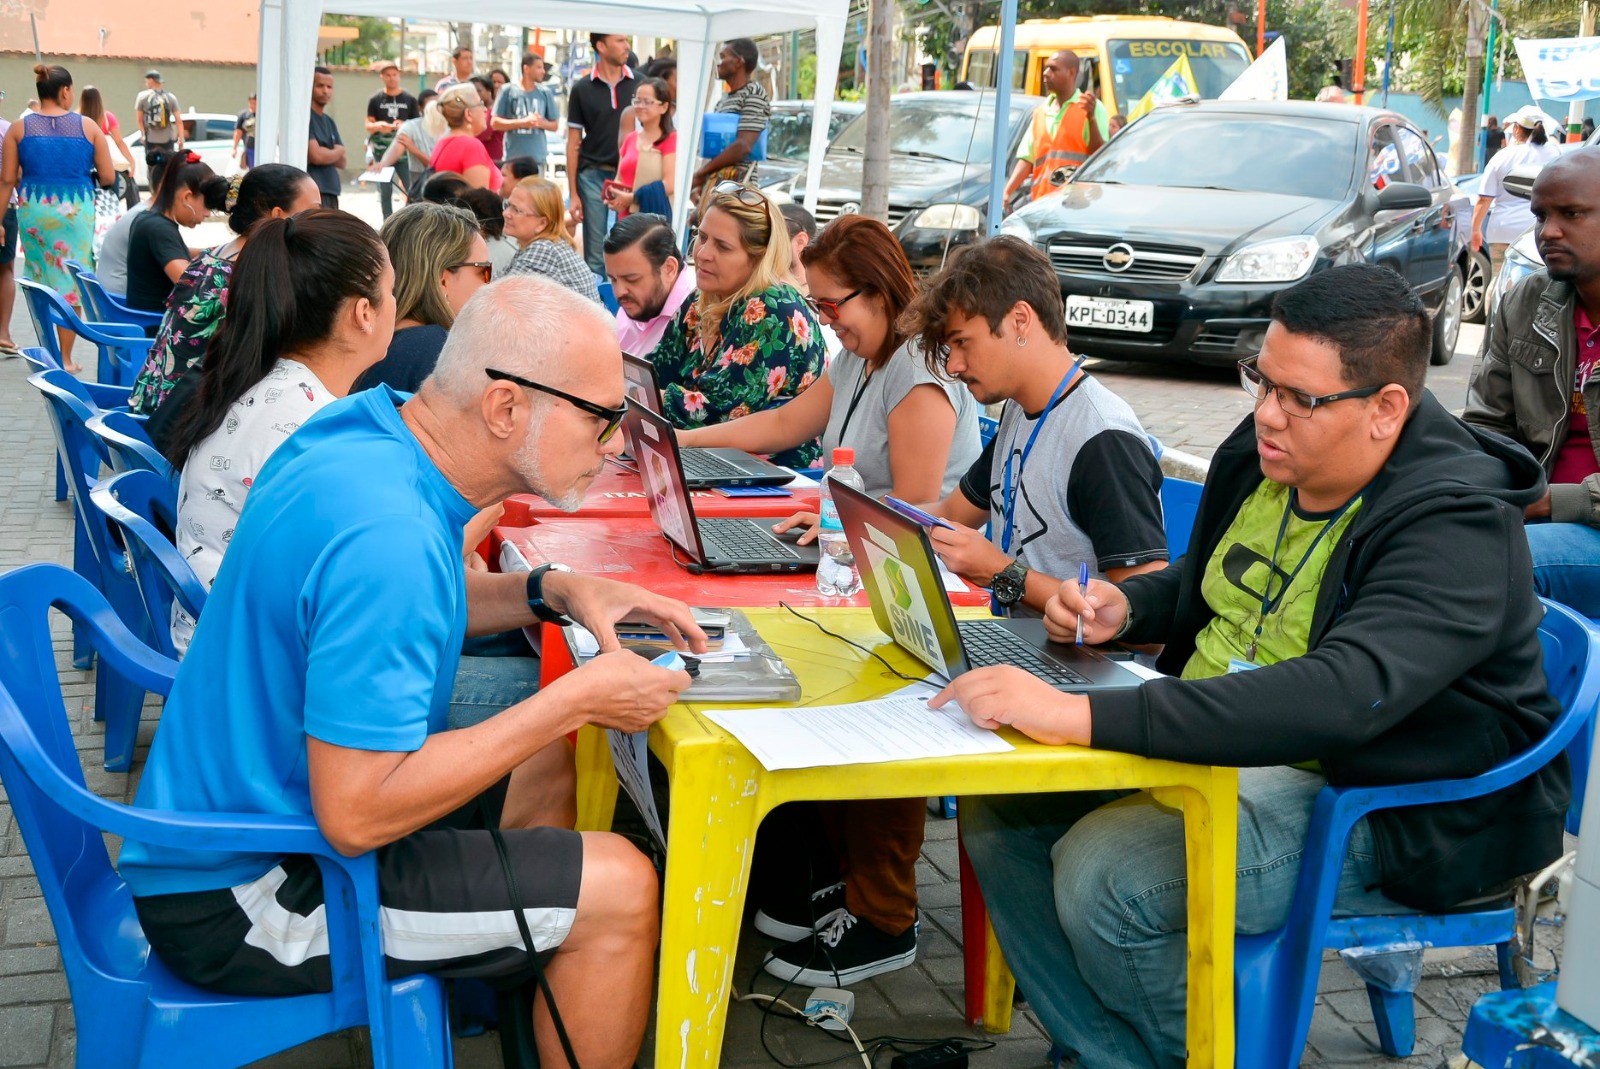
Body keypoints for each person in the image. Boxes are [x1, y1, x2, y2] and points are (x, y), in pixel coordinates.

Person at [946, 263, 1565, 1069]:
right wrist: (1128, 609)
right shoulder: (1268, 452)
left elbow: (1339, 695)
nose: (1266, 414)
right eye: (1260, 381)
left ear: (1386, 409)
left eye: (1299, 398)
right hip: (1231, 734)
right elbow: (1210, 578)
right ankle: (1118, 1054)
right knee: (1001, 820)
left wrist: (1081, 713)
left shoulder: (1455, 525)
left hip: (1382, 794)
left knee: (1105, 879)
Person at [119, 271, 704, 1069]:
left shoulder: (367, 433)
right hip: (248, 894)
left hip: (220, 829)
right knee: (626, 887)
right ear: (506, 408)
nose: (612, 450)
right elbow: (355, 815)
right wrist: (574, 699)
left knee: (540, 771)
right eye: (604, 421)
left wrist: (550, 589)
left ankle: (509, 967)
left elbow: (408, 599)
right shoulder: (391, 538)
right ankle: (543, 948)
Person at [679, 215, 981, 987]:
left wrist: (834, 512)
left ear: (878, 291)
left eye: (831, 303)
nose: (825, 320)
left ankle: (884, 908)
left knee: (873, 696)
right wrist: (686, 441)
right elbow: (788, 422)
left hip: (932, 586)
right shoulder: (860, 356)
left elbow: (914, 510)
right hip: (860, 568)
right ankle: (823, 875)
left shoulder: (918, 369)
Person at [155, 209, 394, 655]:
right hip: (253, 669)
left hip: (222, 641)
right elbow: (369, 583)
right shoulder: (321, 427)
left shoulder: (254, 381)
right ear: (364, 313)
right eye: (392, 291)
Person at [904, 237, 1167, 614]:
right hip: (1023, 643)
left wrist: (1001, 571)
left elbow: (1145, 616)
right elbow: (950, 513)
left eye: (963, 343)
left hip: (1085, 667)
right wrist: (849, 520)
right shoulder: (1020, 409)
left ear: (1020, 320)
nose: (953, 366)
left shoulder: (1103, 438)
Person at [1465, 147, 1600, 616]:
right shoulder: (1527, 300)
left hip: (1571, 527)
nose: (1549, 231)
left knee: (1502, 566)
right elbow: (1487, 426)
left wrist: (1551, 503)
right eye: (1540, 215)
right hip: (1524, 512)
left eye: (1572, 214)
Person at [649, 181, 827, 469]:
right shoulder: (701, 299)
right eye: (701, 236)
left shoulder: (774, 307)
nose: (703, 253)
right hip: (707, 465)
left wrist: (632, 396)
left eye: (723, 246)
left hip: (776, 482)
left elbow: (717, 410)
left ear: (758, 259)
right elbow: (655, 372)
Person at [130, 165, 321, 416]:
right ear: (277, 216)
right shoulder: (251, 273)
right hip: (175, 422)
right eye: (313, 212)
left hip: (151, 402)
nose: (319, 222)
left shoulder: (213, 256)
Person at [0, 64, 114, 371]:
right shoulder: (88, 127)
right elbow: (107, 176)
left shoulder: (18, 129)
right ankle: (65, 358)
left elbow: (7, 179)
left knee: (40, 277)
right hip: (75, 210)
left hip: (34, 208)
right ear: (65, 91)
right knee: (69, 278)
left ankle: (46, 351)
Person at [353, 203, 490, 395]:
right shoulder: (433, 348)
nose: (488, 283)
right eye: (483, 270)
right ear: (443, 280)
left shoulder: (370, 340)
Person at [566, 33, 638, 273]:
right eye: (620, 40)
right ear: (601, 46)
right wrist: (573, 194)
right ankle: (597, 305)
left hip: (629, 176)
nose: (626, 46)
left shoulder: (641, 84)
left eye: (627, 40)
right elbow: (573, 142)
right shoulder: (581, 88)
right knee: (595, 255)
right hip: (592, 174)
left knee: (629, 244)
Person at [1002, 50, 1107, 209]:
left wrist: (1091, 118)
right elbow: (1027, 159)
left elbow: (1100, 154)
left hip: (1078, 204)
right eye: (1046, 68)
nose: (1046, 73)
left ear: (1072, 73)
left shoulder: (1092, 108)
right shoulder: (1040, 112)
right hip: (1042, 204)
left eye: (1053, 69)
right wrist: (1007, 191)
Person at [124, 154, 213, 321]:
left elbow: (178, 252)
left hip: (148, 319)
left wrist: (219, 251)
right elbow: (188, 283)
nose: (208, 214)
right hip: (156, 328)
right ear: (187, 197)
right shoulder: (159, 229)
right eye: (207, 205)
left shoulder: (148, 218)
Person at [1472, 105, 1561, 261]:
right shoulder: (1555, 155)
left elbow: (1484, 199)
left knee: (1499, 280)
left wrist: (1475, 230)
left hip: (1502, 230)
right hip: (1538, 232)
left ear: (1516, 129)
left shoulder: (1502, 157)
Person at [603, 212, 695, 356]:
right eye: (613, 279)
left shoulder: (697, 318)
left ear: (669, 268)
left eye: (632, 279)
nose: (619, 291)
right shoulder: (638, 301)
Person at [690, 39, 771, 203]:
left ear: (739, 61)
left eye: (723, 56)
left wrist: (701, 173)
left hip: (739, 189)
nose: (718, 63)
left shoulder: (754, 93)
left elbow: (743, 146)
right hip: (717, 186)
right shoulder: (723, 100)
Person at [503, 176, 601, 303]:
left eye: (516, 210)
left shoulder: (543, 250)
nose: (505, 213)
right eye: (508, 205)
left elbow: (499, 298)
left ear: (542, 223)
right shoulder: (544, 244)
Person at [606, 76, 674, 219]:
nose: (640, 106)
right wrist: (615, 195)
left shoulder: (671, 140)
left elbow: (669, 184)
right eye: (637, 101)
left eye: (647, 102)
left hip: (653, 221)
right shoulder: (630, 139)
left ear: (664, 107)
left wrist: (633, 197)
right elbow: (619, 178)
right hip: (625, 218)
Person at [78, 85, 138, 227]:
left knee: (87, 204)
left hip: (85, 166)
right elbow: (119, 142)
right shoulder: (107, 118)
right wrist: (131, 161)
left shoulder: (77, 119)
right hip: (108, 166)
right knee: (111, 203)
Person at [367, 61, 420, 220]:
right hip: (381, 151)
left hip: (403, 151)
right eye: (388, 75)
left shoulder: (409, 98)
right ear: (382, 77)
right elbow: (368, 124)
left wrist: (404, 125)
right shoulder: (375, 99)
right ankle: (387, 222)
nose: (392, 78)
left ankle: (411, 221)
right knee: (385, 190)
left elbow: (417, 124)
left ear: (399, 76)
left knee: (411, 188)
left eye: (395, 74)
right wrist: (379, 125)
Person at [493, 52, 560, 176]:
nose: (543, 71)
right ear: (526, 68)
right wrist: (523, 122)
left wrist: (541, 123)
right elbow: (495, 123)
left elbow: (555, 125)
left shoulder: (545, 93)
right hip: (513, 159)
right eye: (539, 67)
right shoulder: (508, 91)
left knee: (536, 195)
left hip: (537, 159)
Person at [369, 87, 439, 201]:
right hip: (419, 182)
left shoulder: (449, 127)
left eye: (438, 104)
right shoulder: (410, 126)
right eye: (430, 106)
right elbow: (396, 148)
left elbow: (436, 165)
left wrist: (413, 149)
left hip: (442, 183)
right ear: (420, 108)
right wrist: (382, 164)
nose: (435, 109)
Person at [428, 84, 500, 192]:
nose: (485, 109)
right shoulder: (470, 145)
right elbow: (478, 202)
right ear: (468, 114)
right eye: (481, 103)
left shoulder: (443, 142)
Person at [135, 70, 183, 193]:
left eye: (146, 80)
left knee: (152, 166)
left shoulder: (142, 96)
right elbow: (178, 120)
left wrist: (143, 134)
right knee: (168, 166)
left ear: (151, 80)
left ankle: (153, 193)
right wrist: (181, 138)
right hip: (167, 139)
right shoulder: (171, 97)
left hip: (150, 139)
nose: (146, 83)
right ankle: (167, 193)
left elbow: (140, 120)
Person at [308, 67, 347, 210]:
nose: (326, 91)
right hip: (314, 191)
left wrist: (327, 152)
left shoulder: (329, 121)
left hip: (331, 190)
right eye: (320, 86)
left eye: (329, 87)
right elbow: (316, 156)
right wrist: (337, 150)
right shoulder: (306, 117)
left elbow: (342, 162)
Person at [94, 199, 149, 296]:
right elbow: (180, 280)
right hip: (120, 300)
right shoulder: (151, 218)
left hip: (108, 295)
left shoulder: (140, 211)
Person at [0, 116, 17, 358]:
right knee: (5, 271)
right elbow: (12, 176)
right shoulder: (6, 129)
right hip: (5, 208)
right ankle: (3, 333)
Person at [472, 77, 506, 164]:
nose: (475, 94)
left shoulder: (495, 111)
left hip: (494, 161)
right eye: (472, 91)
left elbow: (482, 133)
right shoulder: (474, 111)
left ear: (489, 91)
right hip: (477, 159)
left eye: (479, 91)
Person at [233, 93, 257, 169]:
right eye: (250, 103)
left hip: (263, 148)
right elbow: (238, 132)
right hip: (250, 148)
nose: (252, 105)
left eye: (255, 103)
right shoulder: (244, 115)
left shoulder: (263, 114)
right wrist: (234, 148)